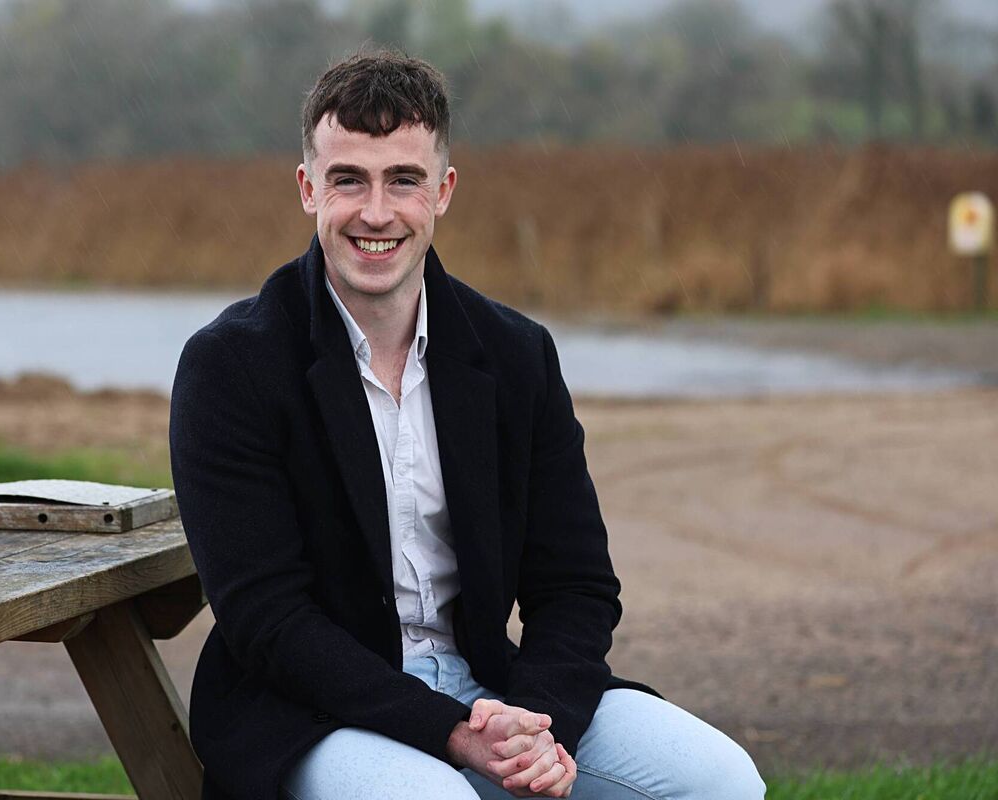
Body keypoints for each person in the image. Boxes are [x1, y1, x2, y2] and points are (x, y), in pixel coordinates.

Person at [169, 50, 766, 800]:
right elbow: (268, 621)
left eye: (404, 180)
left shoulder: (516, 355)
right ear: (307, 188)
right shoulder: (232, 366)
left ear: (443, 191)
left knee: (722, 782)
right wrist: (450, 732)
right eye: (348, 179)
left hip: (494, 683)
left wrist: (537, 725)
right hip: (310, 713)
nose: (376, 212)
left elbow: (576, 586)